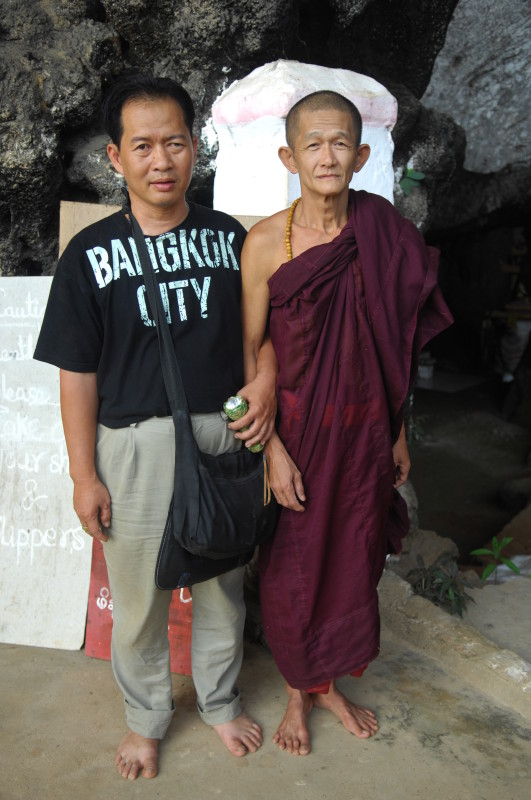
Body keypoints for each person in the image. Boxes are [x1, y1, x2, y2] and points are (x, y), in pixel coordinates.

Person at [34, 72, 277, 780]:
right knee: (138, 598)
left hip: (221, 435)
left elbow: (260, 335)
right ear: (116, 157)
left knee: (222, 587)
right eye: (142, 146)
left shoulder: (230, 240)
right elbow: (77, 374)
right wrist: (84, 475)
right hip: (133, 448)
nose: (160, 160)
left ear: (195, 147)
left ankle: (221, 702)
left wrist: (263, 381)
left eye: (174, 142)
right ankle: (145, 720)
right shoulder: (88, 255)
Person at [241, 90, 453, 755]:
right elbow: (247, 351)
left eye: (339, 144)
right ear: (290, 157)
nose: (326, 157)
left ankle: (327, 684)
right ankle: (296, 691)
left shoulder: (384, 235)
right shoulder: (265, 244)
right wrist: (271, 449)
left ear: (361, 156)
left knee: (353, 563)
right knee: (292, 571)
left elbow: (396, 348)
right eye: (313, 144)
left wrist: (397, 432)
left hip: (364, 436)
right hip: (298, 437)